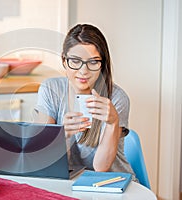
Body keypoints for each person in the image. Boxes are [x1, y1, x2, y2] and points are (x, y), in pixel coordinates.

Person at [34, 24, 136, 180]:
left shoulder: (116, 99)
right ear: (64, 60)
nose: (83, 71)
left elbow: (101, 167)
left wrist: (113, 123)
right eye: (75, 61)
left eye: (93, 62)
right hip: (69, 183)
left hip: (112, 183)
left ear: (102, 64)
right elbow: (41, 156)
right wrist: (61, 134)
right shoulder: (50, 89)